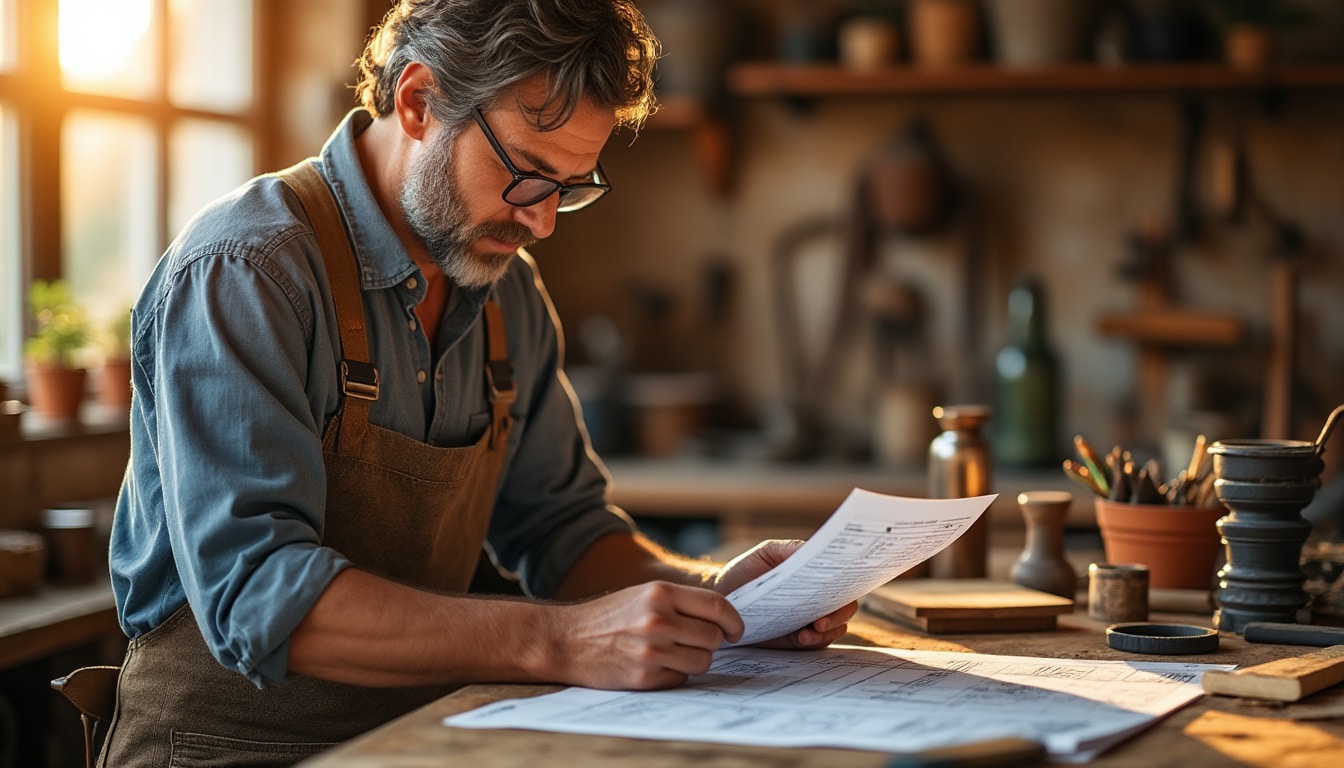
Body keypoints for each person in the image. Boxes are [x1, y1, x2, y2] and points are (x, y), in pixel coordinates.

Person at [101, 1, 857, 765]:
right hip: (223, 748)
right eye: (527, 174)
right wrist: (556, 641)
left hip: (417, 743)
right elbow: (260, 599)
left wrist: (722, 600)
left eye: (570, 186)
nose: (544, 222)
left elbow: (566, 535)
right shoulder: (248, 270)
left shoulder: (508, 293)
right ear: (418, 102)